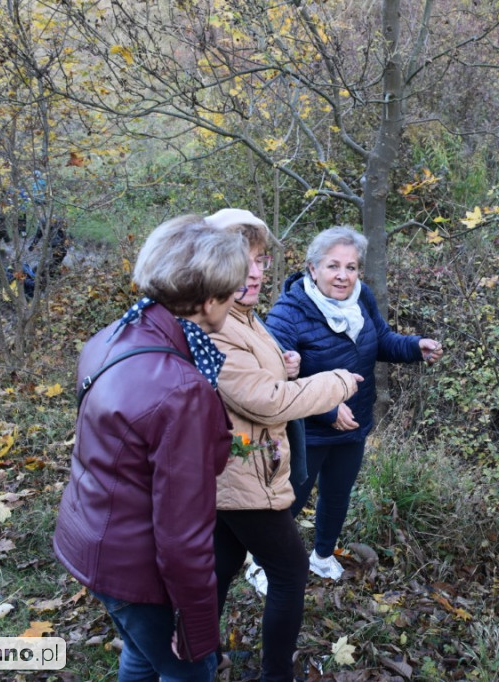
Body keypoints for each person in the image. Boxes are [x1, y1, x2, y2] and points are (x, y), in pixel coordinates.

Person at [53, 214, 248, 682]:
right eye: (233, 292)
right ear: (209, 301)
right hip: (136, 571)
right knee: (188, 671)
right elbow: (183, 533)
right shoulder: (182, 390)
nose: (238, 298)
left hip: (90, 540)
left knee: (142, 654)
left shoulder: (114, 335)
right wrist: (197, 624)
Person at [206, 209, 362, 682]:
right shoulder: (216, 325)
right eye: (243, 262)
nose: (255, 273)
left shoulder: (241, 315)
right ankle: (274, 675)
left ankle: (198, 654)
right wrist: (335, 383)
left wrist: (284, 365)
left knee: (222, 562)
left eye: (260, 260)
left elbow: (250, 380)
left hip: (241, 467)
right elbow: (267, 402)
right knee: (290, 572)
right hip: (243, 473)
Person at [265, 226, 444, 581]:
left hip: (354, 423)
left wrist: (414, 347)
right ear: (312, 268)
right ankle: (264, 564)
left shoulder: (362, 298)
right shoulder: (288, 313)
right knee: (290, 501)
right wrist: (328, 410)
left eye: (351, 267)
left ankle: (321, 556)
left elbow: (381, 340)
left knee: (337, 496)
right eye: (333, 266)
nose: (343, 276)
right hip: (305, 431)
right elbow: (274, 379)